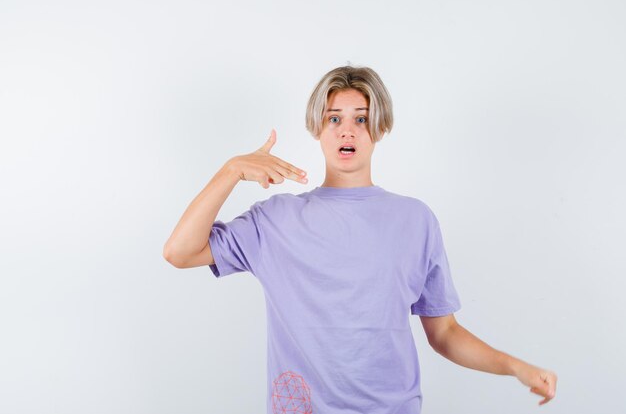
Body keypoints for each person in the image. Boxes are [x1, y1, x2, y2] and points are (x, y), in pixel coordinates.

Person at [163, 65, 558, 414]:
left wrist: (516, 367)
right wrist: (231, 170)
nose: (347, 130)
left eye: (361, 119)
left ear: (380, 128)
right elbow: (179, 252)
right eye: (334, 119)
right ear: (317, 128)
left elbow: (446, 334)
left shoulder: (415, 220)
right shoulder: (275, 220)